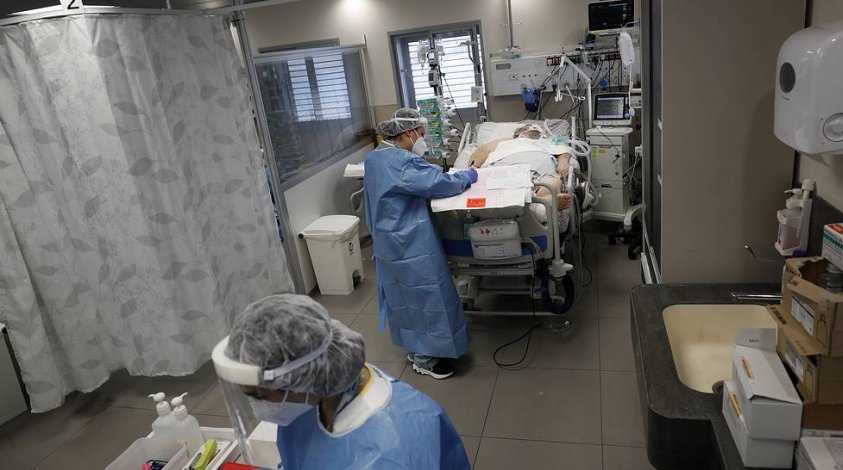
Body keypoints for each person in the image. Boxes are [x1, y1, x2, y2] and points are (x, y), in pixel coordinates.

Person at [211, 294, 470, 470]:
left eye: (259, 396)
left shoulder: (393, 452)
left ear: (295, 380)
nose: (258, 406)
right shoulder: (313, 396)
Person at [362, 108, 478, 380]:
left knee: (404, 298)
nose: (422, 140)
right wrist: (468, 176)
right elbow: (439, 183)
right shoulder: (401, 162)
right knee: (428, 296)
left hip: (387, 240)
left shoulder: (375, 158)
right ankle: (426, 359)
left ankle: (417, 349)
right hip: (410, 241)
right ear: (407, 133)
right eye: (421, 135)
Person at [469, 123, 573, 211]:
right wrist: (474, 165)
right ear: (518, 133)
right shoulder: (505, 141)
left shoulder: (547, 142)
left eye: (536, 127)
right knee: (491, 185)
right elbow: (483, 150)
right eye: (528, 127)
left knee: (553, 183)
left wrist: (562, 163)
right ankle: (539, 207)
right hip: (506, 166)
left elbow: (564, 151)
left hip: (540, 170)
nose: (533, 127)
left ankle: (544, 202)